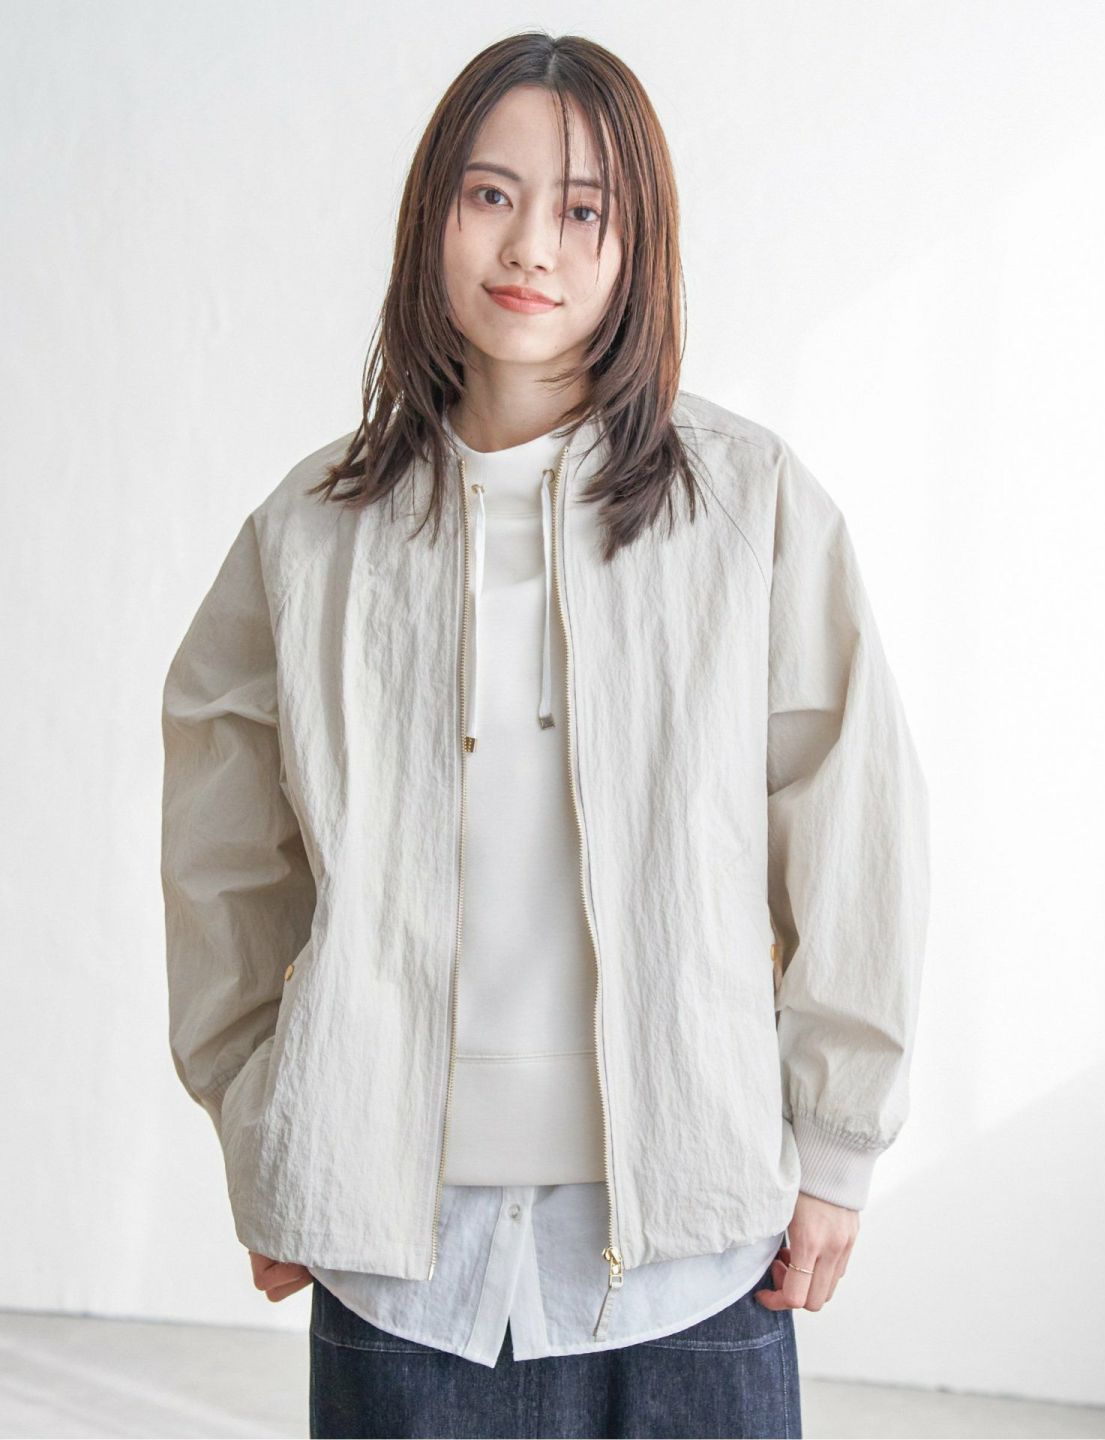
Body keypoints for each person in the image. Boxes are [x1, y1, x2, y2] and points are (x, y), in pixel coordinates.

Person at [160, 29, 931, 1440]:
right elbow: (221, 851)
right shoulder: (312, 533)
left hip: (698, 1265)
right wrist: (269, 1130)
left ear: (641, 246)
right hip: (401, 1271)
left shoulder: (749, 505)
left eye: (584, 209)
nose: (532, 248)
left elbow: (852, 823)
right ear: (432, 214)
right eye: (490, 194)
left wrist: (837, 1147)